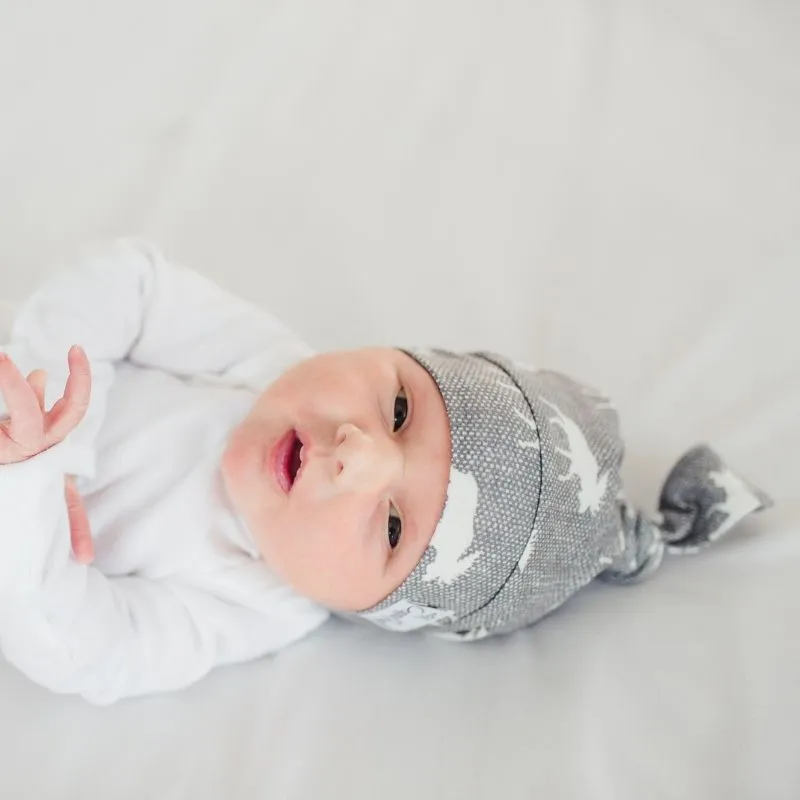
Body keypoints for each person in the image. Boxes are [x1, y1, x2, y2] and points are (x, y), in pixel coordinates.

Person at [0, 239, 771, 704]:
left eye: (395, 526)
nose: (355, 451)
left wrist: (29, 493)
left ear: (374, 606)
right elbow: (131, 283)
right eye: (401, 408)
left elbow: (84, 648)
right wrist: (62, 438)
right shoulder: (270, 366)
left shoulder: (259, 604)